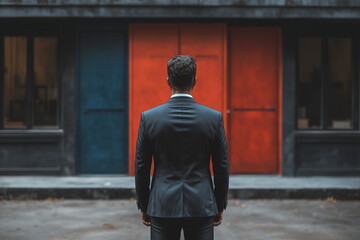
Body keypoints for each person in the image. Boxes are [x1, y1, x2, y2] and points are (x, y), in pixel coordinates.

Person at [135, 55, 229, 240]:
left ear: (168, 80)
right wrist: (219, 205)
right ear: (194, 80)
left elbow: (142, 167)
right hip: (202, 205)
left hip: (162, 205)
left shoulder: (149, 118)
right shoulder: (213, 118)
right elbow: (221, 167)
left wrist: (144, 205)